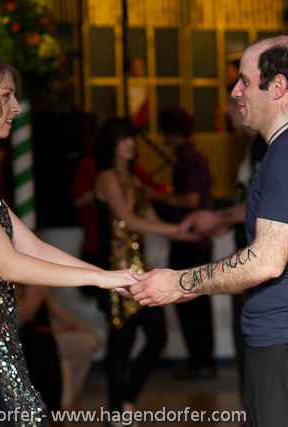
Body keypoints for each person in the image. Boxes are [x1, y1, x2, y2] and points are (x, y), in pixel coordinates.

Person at [128, 36, 288, 427]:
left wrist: (180, 283)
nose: (236, 92)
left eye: (245, 81)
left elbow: (265, 261)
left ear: (278, 87)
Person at [0, 53, 136, 426]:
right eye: (6, 96)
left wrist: (108, 276)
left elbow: (31, 246)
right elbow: (8, 264)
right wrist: (100, 278)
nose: (16, 107)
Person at [92, 117, 196, 426]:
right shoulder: (106, 178)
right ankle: (117, 413)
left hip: (140, 270)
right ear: (111, 144)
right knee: (121, 345)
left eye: (131, 138)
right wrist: (179, 229)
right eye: (123, 138)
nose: (130, 143)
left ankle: (126, 401)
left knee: (157, 337)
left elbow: (151, 220)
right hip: (116, 271)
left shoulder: (135, 181)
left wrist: (189, 234)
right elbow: (130, 221)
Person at [150, 106, 216, 380]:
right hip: (199, 240)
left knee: (189, 304)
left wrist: (158, 196)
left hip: (189, 240)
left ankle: (200, 362)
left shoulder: (187, 158)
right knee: (199, 304)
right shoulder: (194, 155)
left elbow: (191, 199)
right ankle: (203, 361)